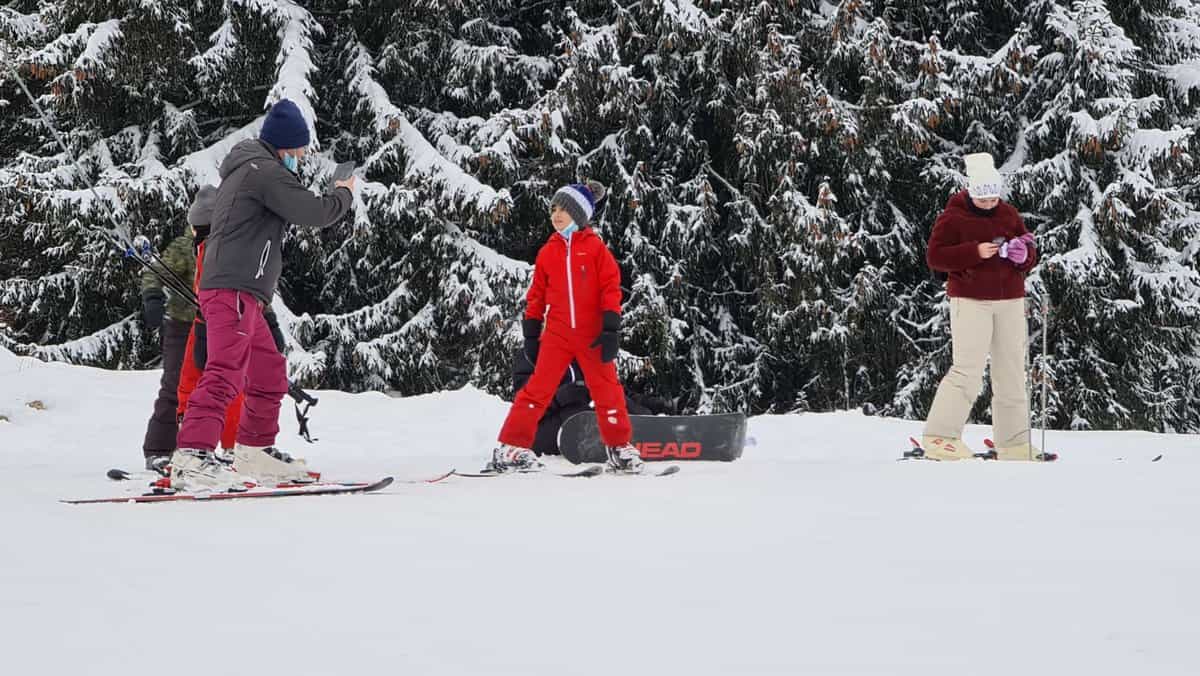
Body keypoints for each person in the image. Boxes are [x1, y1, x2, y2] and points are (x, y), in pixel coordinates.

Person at [170, 99, 355, 491]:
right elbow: (316, 211)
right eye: (300, 150)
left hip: (245, 292)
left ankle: (255, 449)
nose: (302, 157)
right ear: (285, 146)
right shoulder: (262, 171)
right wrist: (344, 193)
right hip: (233, 288)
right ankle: (192, 457)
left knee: (269, 371)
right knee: (224, 371)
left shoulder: (254, 168)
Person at [490, 180, 644, 473]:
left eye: (564, 209)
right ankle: (510, 448)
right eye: (554, 208)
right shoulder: (548, 252)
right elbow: (536, 295)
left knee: (608, 391)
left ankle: (619, 447)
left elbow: (611, 288)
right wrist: (532, 333)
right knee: (537, 390)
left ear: (581, 214)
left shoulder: (596, 250)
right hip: (557, 335)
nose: (556, 214)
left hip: (592, 335)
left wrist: (611, 328)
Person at [922, 152, 1041, 461]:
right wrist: (974, 252)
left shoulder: (1009, 214)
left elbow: (1029, 252)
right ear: (972, 191)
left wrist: (1022, 256)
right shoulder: (953, 217)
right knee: (968, 370)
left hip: (1010, 301)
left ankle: (1014, 441)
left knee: (1012, 371)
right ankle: (940, 436)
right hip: (970, 300)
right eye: (982, 198)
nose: (989, 204)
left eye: (993, 198)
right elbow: (936, 257)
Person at [139, 217, 196, 471]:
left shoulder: (228, 246)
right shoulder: (185, 246)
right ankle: (159, 450)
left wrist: (268, 320)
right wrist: (152, 296)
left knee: (223, 389)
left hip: (218, 326)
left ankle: (226, 448)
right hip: (182, 326)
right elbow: (154, 272)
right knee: (175, 386)